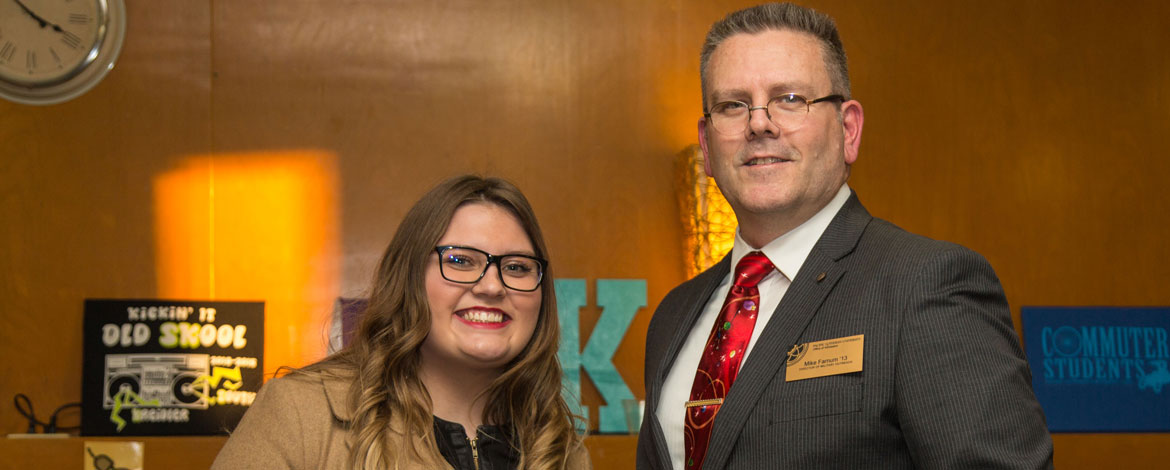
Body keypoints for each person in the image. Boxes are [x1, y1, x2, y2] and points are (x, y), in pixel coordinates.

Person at [638, 3, 1053, 469]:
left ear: (848, 129)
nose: (759, 124)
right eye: (732, 105)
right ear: (707, 145)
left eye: (790, 98)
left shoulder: (925, 286)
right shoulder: (674, 317)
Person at [212, 175, 589, 470]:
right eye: (460, 261)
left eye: (517, 267)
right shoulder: (300, 414)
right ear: (408, 278)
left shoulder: (558, 444)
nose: (491, 285)